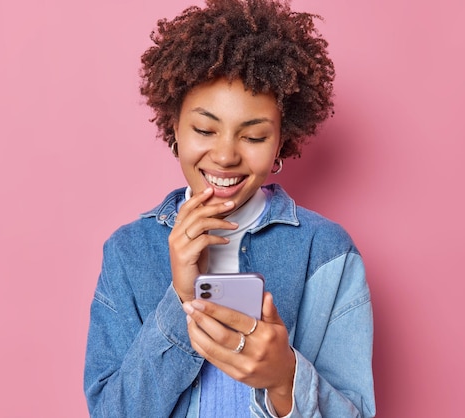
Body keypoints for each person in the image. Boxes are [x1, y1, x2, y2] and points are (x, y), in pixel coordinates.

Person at [83, 0, 375, 416]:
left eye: (253, 137)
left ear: (281, 142)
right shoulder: (128, 252)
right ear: (175, 129)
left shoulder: (326, 252)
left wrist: (283, 378)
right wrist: (181, 298)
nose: (224, 156)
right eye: (204, 129)